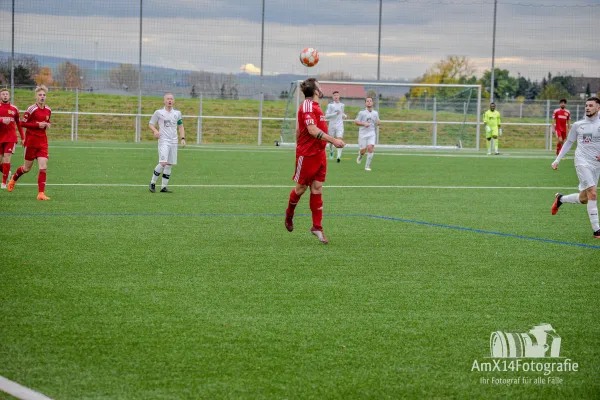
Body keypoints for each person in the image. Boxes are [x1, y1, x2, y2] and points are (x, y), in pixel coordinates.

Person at [284, 78, 345, 244]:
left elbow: (298, 129)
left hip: (319, 153)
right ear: (316, 91)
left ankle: (317, 227)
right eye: (319, 86)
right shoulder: (307, 106)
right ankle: (289, 213)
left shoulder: (316, 107)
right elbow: (311, 130)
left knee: (317, 187)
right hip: (307, 155)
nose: (322, 88)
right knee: (301, 188)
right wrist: (333, 140)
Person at [551, 97, 600, 238]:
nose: (587, 108)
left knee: (585, 198)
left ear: (598, 108)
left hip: (596, 165)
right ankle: (597, 230)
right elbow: (568, 143)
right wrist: (557, 160)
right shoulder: (578, 125)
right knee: (593, 192)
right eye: (586, 105)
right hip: (581, 161)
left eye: (591, 105)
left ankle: (561, 199)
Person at [7, 86, 51, 200]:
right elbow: (22, 123)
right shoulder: (31, 109)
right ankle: (13, 179)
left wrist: (47, 124)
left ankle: (41, 194)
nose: (42, 97)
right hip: (31, 142)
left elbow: (47, 120)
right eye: (40, 95)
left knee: (43, 167)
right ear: (36, 96)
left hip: (42, 142)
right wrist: (37, 124)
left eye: (44, 95)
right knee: (26, 169)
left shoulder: (48, 110)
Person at [148, 93, 185, 193]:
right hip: (163, 140)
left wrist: (182, 138)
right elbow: (151, 124)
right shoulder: (159, 112)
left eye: (171, 99)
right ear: (164, 101)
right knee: (163, 163)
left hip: (174, 141)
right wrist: (155, 131)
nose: (170, 100)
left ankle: (163, 187)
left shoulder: (177, 113)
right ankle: (152, 183)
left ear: (174, 101)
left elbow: (181, 126)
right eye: (168, 99)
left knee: (169, 164)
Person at [0, 88, 24, 189]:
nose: (5, 96)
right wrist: (1, 120)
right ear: (0, 96)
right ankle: (7, 171)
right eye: (3, 94)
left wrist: (23, 137)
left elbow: (19, 123)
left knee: (7, 158)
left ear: (9, 96)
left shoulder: (14, 108)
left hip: (10, 137)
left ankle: (4, 183)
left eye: (6, 94)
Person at [354, 97, 380, 171]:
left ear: (372, 103)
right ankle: (360, 155)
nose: (369, 102)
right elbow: (355, 122)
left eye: (370, 101)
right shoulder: (362, 112)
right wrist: (363, 124)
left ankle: (367, 166)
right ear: (365, 103)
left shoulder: (375, 113)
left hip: (371, 133)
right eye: (367, 101)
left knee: (370, 148)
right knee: (363, 150)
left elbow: (377, 121)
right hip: (363, 133)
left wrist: (378, 123)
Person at [325, 90, 347, 163]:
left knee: (339, 140)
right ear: (332, 97)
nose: (336, 96)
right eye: (334, 95)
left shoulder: (342, 105)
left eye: (337, 95)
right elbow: (327, 116)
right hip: (332, 125)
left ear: (339, 96)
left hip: (340, 125)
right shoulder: (330, 105)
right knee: (331, 141)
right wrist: (335, 114)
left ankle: (338, 157)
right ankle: (331, 151)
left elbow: (342, 112)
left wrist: (344, 115)